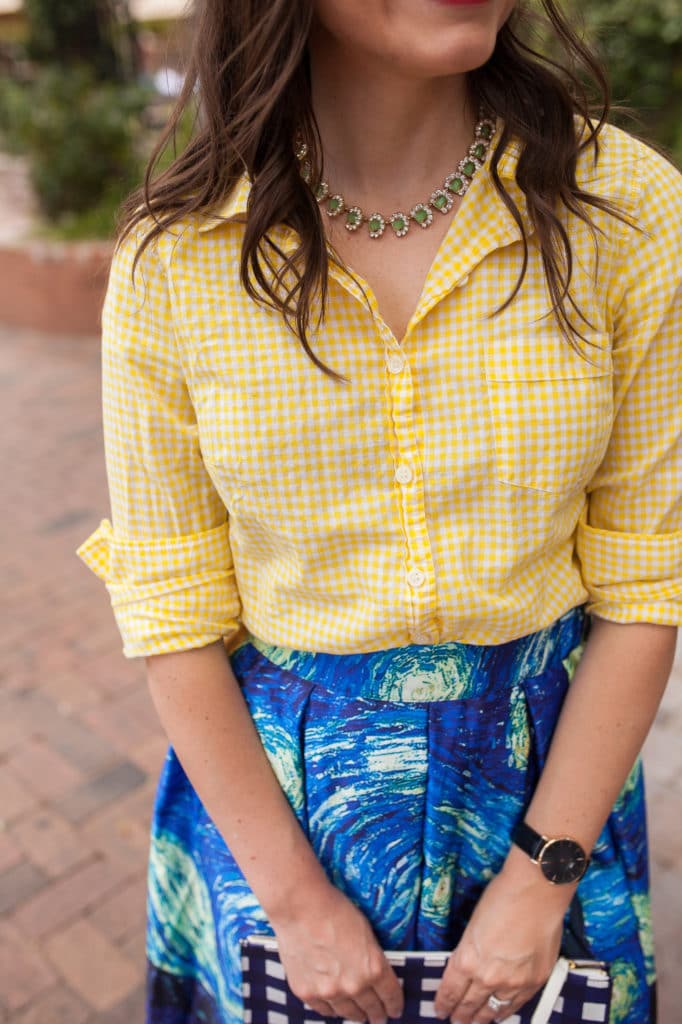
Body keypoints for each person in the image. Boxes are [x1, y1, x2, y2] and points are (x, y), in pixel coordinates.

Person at [77, 2, 682, 1023]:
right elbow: (172, 607)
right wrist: (298, 905)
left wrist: (542, 879)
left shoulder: (623, 209)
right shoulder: (176, 258)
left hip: (546, 794)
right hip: (277, 815)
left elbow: (648, 575)